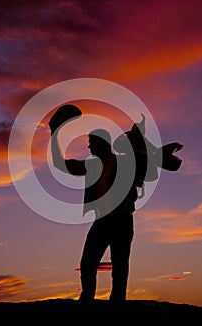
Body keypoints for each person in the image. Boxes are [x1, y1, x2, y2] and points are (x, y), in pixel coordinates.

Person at [50, 124, 139, 304]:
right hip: (102, 221)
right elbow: (62, 165)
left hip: (122, 221)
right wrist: (55, 133)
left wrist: (139, 139)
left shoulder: (126, 162)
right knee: (88, 263)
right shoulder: (92, 165)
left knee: (120, 268)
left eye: (91, 143)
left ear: (102, 144)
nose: (89, 147)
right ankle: (87, 299)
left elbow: (147, 159)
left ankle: (117, 303)